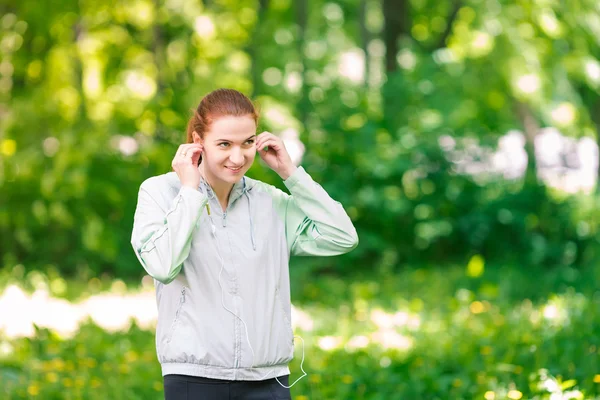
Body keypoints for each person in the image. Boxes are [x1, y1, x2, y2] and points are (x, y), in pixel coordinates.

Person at [131, 88, 359, 400]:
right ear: (198, 141)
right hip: (193, 378)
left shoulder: (270, 201)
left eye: (247, 143)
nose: (238, 158)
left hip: (268, 381)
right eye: (224, 144)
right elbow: (162, 266)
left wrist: (290, 174)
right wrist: (189, 192)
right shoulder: (160, 193)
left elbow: (342, 236)